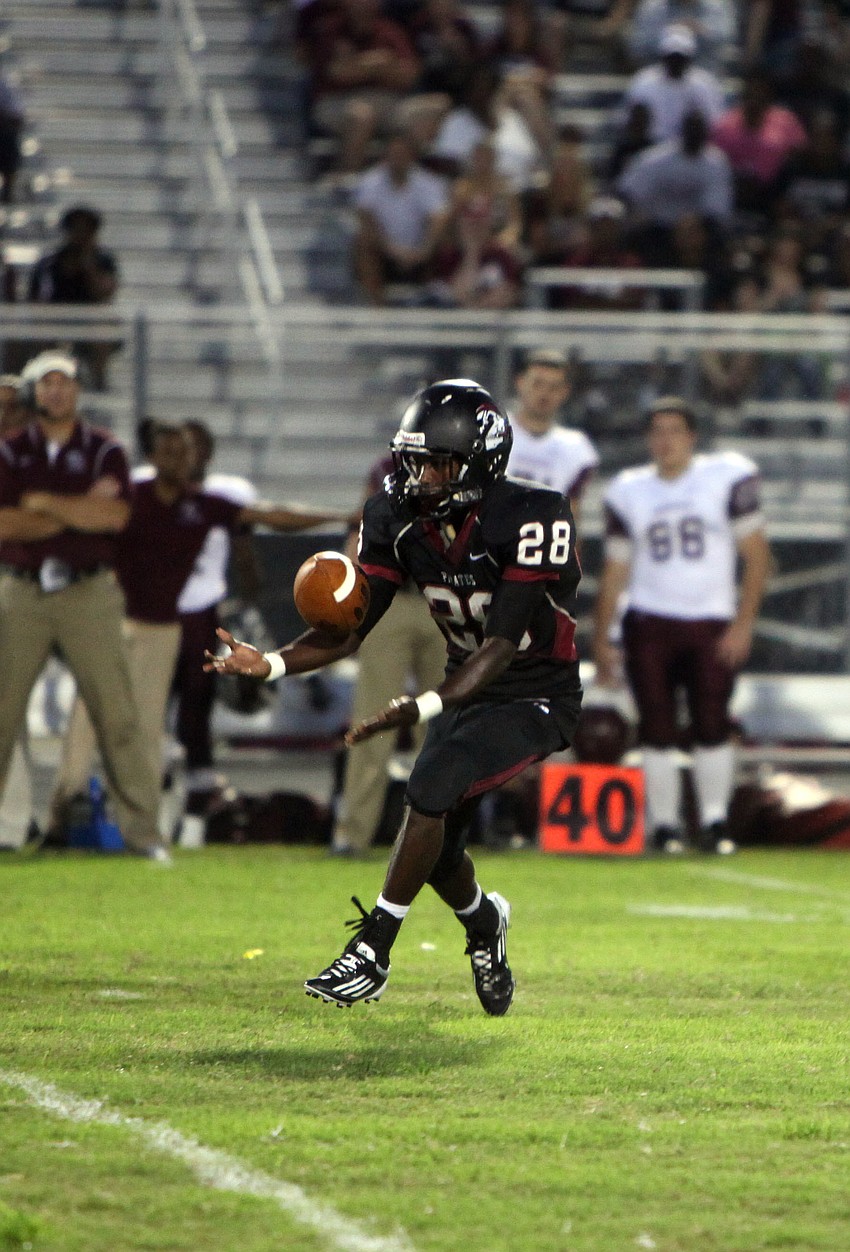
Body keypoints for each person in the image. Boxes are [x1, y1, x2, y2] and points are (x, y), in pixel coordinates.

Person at [207, 379, 583, 1013]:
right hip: (465, 690)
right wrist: (270, 663)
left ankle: (374, 950)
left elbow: (499, 645)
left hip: (533, 693)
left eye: (439, 462)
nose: (423, 476)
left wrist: (426, 704)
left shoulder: (533, 513)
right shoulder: (397, 516)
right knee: (437, 853)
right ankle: (486, 923)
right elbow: (349, 631)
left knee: (428, 786)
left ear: (482, 460)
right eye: (416, 460)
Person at [52, 422, 354, 833]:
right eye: (172, 451)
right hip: (120, 620)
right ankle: (69, 808)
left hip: (178, 621)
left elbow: (267, 518)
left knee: (177, 715)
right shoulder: (133, 492)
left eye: (188, 451)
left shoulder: (211, 501)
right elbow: (88, 524)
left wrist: (339, 517)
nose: (182, 458)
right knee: (93, 715)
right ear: (154, 456)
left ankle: (151, 818)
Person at [0, 350, 169, 859]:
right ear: (35, 392)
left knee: (117, 715)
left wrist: (44, 504)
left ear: (77, 391)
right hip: (23, 589)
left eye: (65, 382)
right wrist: (79, 511)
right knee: (2, 714)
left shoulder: (104, 449)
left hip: (89, 590)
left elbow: (115, 518)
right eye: (47, 383)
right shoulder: (9, 451)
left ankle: (144, 835)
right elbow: (5, 525)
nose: (57, 391)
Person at [592, 397, 771, 855]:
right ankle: (666, 825)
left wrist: (744, 623)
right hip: (649, 619)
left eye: (674, 430)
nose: (665, 439)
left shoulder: (724, 476)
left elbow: (757, 556)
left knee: (713, 721)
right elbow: (615, 569)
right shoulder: (630, 489)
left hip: (711, 620)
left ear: (692, 436)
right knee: (656, 725)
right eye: (657, 431)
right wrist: (601, 637)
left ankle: (714, 822)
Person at [330, 452, 446, 857]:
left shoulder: (469, 465)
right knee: (372, 718)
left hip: (444, 598)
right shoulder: (387, 469)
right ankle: (352, 832)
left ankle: (446, 838)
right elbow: (363, 530)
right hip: (392, 599)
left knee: (444, 725)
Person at [351, 126, 450, 305]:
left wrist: (424, 250)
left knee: (446, 239)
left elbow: (438, 219)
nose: (398, 159)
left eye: (403, 154)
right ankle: (377, 308)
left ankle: (432, 302)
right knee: (362, 240)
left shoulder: (428, 183)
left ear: (412, 156)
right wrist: (393, 250)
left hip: (421, 253)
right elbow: (366, 220)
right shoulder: (370, 182)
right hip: (385, 252)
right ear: (386, 156)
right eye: (394, 154)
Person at [28, 206, 120, 390]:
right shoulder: (49, 263)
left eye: (86, 230)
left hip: (90, 320)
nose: (81, 235)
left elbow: (105, 292)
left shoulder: (103, 261)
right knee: (37, 331)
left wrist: (88, 265)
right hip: (55, 319)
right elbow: (36, 298)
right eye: (76, 229)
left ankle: (98, 381)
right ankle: (40, 382)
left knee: (104, 331)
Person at [507, 348, 599, 522]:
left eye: (553, 387)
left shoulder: (576, 447)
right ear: (519, 382)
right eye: (538, 384)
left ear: (565, 392)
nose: (545, 394)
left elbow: (572, 516)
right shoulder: (492, 432)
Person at [622, 22, 724, 144]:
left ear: (689, 58)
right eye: (672, 57)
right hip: (650, 145)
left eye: (680, 58)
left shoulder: (705, 84)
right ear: (663, 56)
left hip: (691, 147)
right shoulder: (643, 82)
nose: (676, 62)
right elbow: (631, 122)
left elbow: (714, 123)